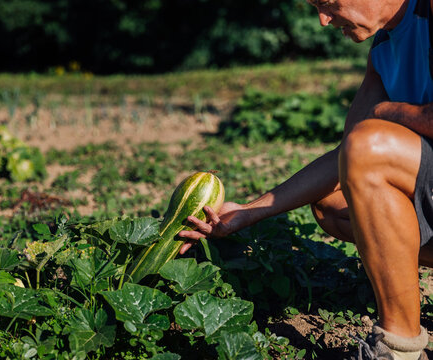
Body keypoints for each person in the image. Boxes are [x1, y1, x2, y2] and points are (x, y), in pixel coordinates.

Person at [178, 0, 433, 359]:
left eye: (328, 3)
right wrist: (249, 212)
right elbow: (351, 155)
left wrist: (385, 111)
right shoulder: (384, 49)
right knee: (334, 204)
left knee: (367, 144)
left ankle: (399, 348)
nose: (323, 20)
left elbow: (367, 143)